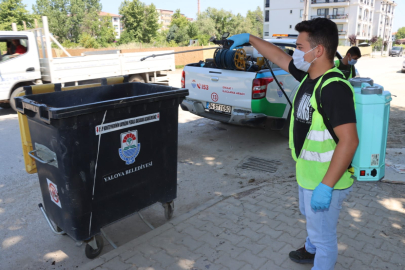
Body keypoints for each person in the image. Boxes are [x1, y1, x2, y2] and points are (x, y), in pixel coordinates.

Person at [228, 18, 359, 270]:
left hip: (325, 180)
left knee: (324, 237)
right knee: (315, 225)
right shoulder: (311, 76)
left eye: (299, 47)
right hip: (308, 174)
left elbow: (350, 140)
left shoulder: (334, 88)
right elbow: (278, 57)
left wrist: (326, 186)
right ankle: (310, 249)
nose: (295, 53)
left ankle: (319, 258)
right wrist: (251, 39)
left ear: (317, 51)